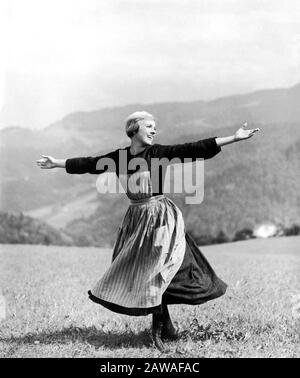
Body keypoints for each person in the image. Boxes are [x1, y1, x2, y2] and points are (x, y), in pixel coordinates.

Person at [36, 111, 260, 352]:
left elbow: (192, 149)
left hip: (160, 217)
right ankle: (168, 327)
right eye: (149, 127)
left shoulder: (158, 153)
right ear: (133, 130)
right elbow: (90, 163)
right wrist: (56, 162)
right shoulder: (119, 157)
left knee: (159, 271)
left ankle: (158, 332)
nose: (154, 130)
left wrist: (234, 138)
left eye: (155, 127)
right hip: (136, 219)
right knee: (142, 273)